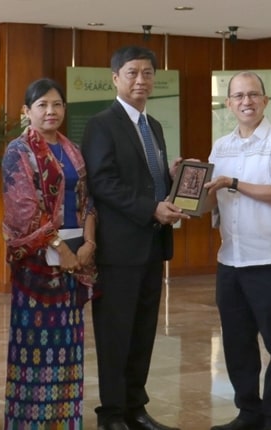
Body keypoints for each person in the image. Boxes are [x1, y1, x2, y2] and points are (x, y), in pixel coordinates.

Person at [81, 45, 186, 430]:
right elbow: (103, 183)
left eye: (147, 73)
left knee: (142, 332)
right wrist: (150, 209)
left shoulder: (153, 125)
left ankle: (135, 408)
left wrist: (172, 183)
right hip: (118, 250)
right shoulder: (101, 124)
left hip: (152, 246)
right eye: (132, 73)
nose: (141, 80)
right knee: (115, 334)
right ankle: (111, 414)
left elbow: (146, 180)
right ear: (115, 78)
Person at [203, 72, 271, 430]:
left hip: (269, 261)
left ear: (265, 101)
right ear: (228, 104)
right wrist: (188, 181)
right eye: (238, 96)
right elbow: (207, 202)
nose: (246, 102)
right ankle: (249, 411)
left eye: (253, 95)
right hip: (230, 260)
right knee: (236, 341)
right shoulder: (221, 145)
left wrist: (233, 183)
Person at [1, 78, 98, 428]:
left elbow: (88, 199)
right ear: (27, 112)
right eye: (42, 105)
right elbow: (22, 210)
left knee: (69, 347)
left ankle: (66, 420)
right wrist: (59, 248)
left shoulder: (72, 150)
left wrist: (88, 243)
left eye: (57, 104)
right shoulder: (19, 151)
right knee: (36, 349)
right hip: (38, 264)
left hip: (75, 259)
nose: (51, 111)